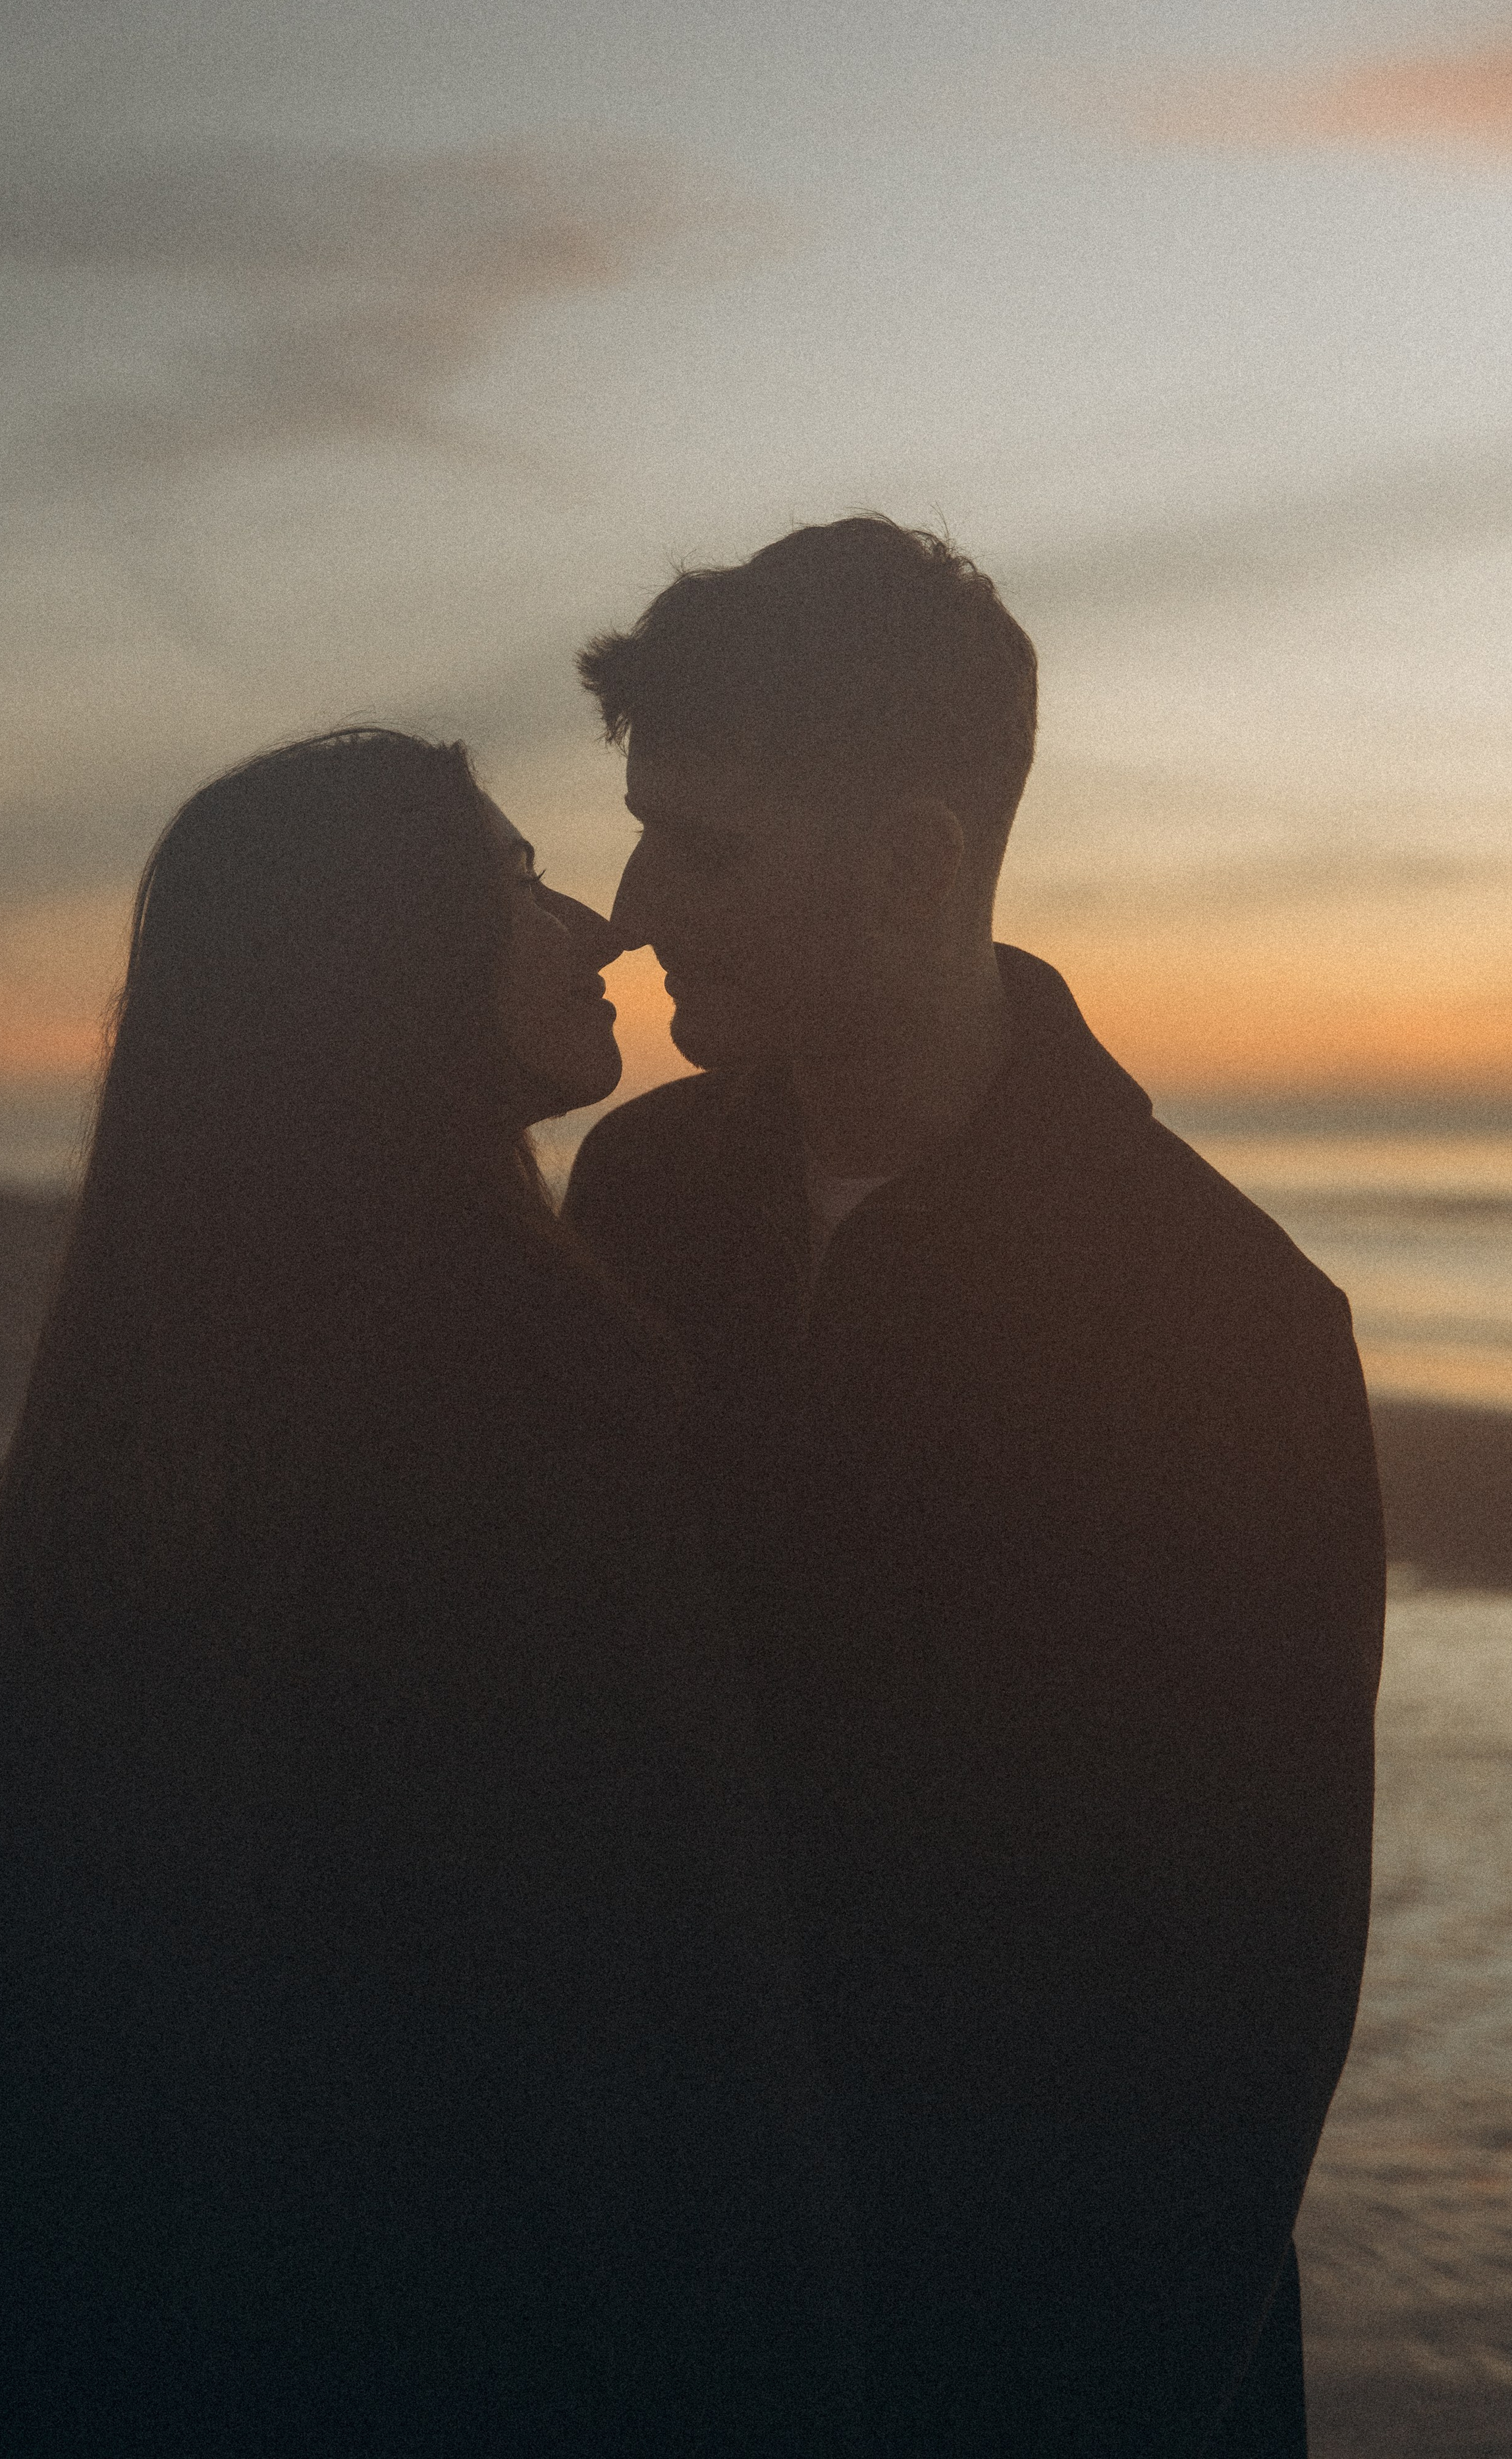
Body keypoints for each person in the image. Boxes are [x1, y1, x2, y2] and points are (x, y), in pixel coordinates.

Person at [0, 727, 861, 2458]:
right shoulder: (514, 1411)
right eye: (511, 880)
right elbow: (623, 2054)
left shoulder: (147, 1423)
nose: (597, 924)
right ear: (378, 965)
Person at [564, 518, 1387, 2458]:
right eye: (636, 824)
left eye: (708, 845)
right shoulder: (642, 1202)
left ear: (917, 862)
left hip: (1044, 2362)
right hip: (674, 2327)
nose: (626, 901)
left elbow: (1255, 2003)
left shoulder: (1229, 1321)